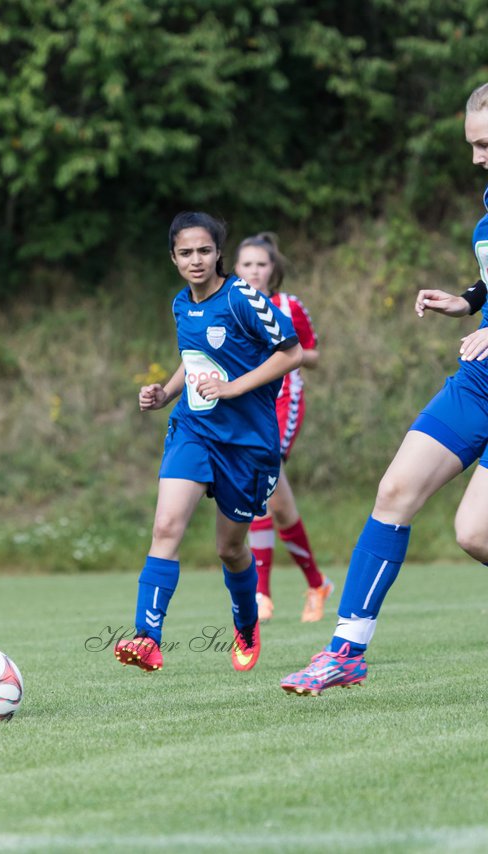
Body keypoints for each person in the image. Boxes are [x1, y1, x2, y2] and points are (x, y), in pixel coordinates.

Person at [280, 84, 488, 696]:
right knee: (395, 488)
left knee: (475, 532)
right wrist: (470, 301)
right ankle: (346, 651)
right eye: (473, 145)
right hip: (480, 380)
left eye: (486, 144)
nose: (477, 157)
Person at [117, 212, 303, 674]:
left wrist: (237, 387)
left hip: (247, 446)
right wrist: (165, 391)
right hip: (194, 430)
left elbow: (292, 352)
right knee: (165, 528)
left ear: (220, 253)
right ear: (174, 258)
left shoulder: (244, 299)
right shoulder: (182, 304)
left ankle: (245, 624)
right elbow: (194, 359)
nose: (195, 260)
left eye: (204, 251)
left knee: (230, 550)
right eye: (185, 253)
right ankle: (147, 638)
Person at [234, 233, 334, 623]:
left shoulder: (288, 305)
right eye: (247, 264)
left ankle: (262, 593)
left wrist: (284, 353)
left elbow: (312, 355)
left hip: (282, 403)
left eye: (261, 264)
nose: (254, 271)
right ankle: (316, 582)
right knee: (272, 501)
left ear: (273, 269)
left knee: (263, 488)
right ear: (235, 269)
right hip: (244, 406)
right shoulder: (230, 306)